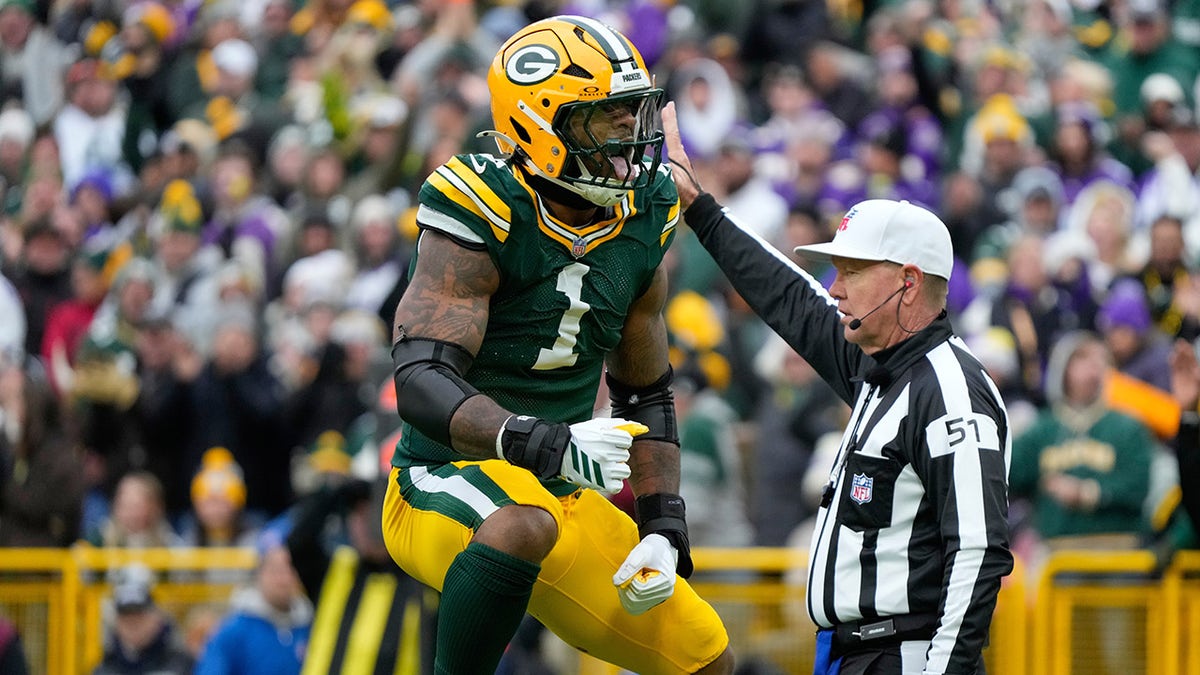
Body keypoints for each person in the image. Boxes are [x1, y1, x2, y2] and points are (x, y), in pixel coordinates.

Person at [383, 16, 733, 675]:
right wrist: (538, 439)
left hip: (561, 492)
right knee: (521, 523)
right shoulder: (485, 204)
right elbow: (421, 379)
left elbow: (645, 391)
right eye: (605, 118)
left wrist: (663, 525)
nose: (629, 135)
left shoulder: (644, 212)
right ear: (540, 126)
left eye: (632, 113)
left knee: (706, 655)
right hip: (440, 479)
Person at [662, 102, 1012, 675]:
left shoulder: (951, 388)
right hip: (854, 652)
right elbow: (790, 298)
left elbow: (977, 551)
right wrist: (701, 209)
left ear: (907, 282)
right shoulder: (881, 366)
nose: (836, 287)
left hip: (904, 655)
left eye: (852, 271)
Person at [93, 564, 194, 675]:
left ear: (156, 617)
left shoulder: (183, 664)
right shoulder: (104, 668)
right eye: (125, 617)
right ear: (116, 622)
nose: (133, 624)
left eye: (140, 616)